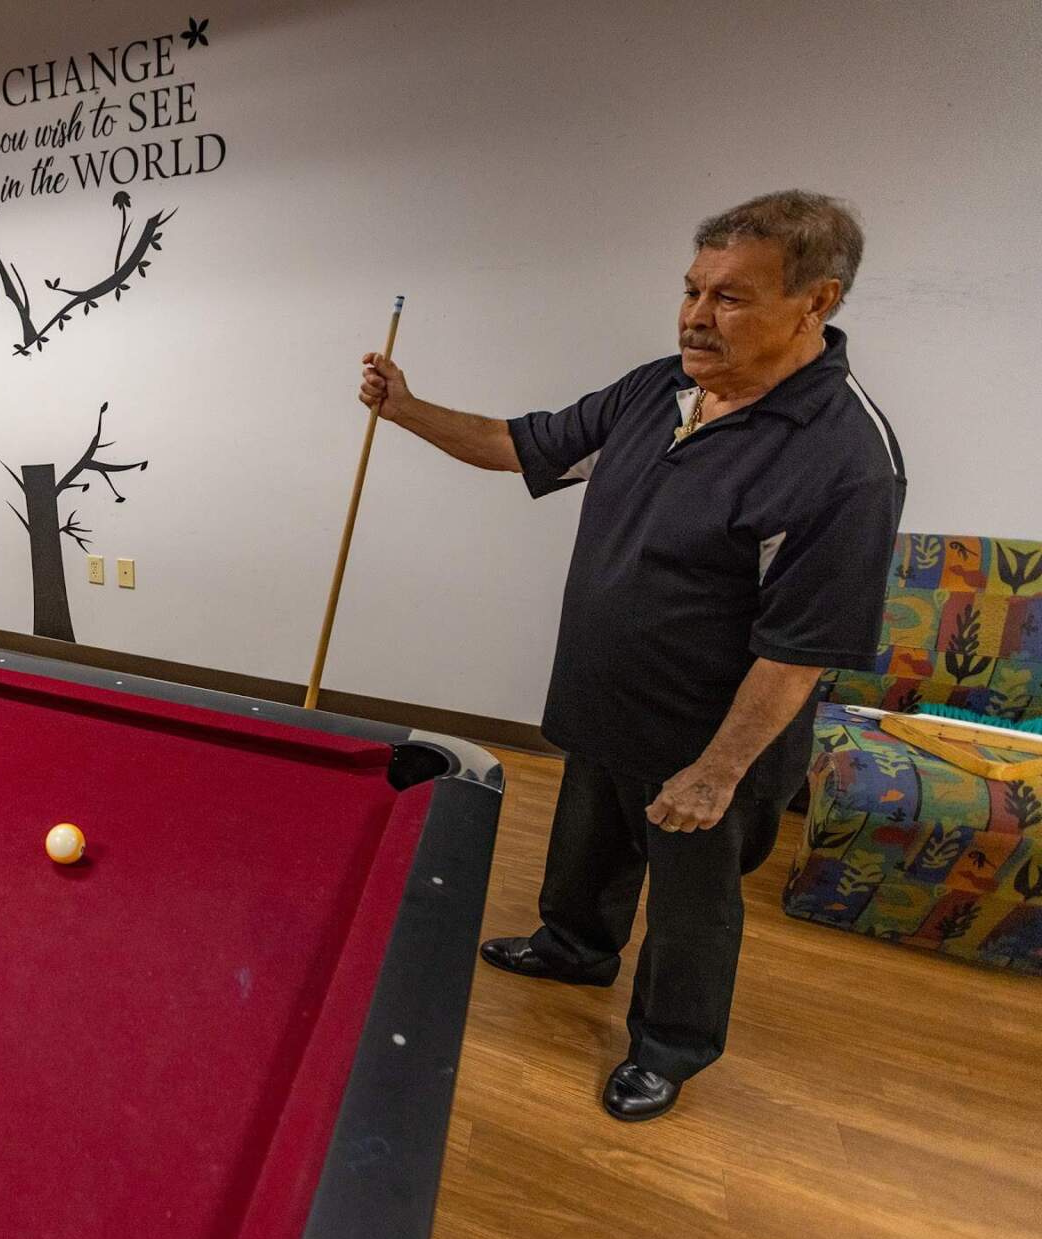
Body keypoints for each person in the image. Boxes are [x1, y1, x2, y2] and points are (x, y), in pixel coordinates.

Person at [357, 190, 905, 1120]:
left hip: (709, 736)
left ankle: (669, 1046)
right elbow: (515, 445)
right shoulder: (658, 389)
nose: (696, 316)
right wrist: (405, 410)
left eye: (730, 297)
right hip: (608, 696)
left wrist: (715, 773)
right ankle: (575, 948)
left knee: (693, 906)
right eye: (692, 290)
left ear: (816, 302)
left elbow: (800, 650)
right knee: (588, 846)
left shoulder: (846, 459)